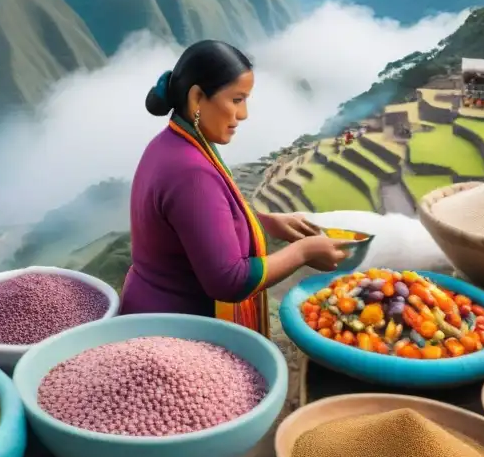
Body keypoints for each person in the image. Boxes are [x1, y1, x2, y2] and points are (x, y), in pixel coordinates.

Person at [121, 40, 351, 336]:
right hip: (175, 333)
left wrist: (265, 223)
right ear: (197, 98)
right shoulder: (191, 172)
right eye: (237, 100)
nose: (243, 115)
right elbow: (229, 281)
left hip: (149, 310)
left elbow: (201, 223)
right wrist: (304, 252)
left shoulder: (172, 143)